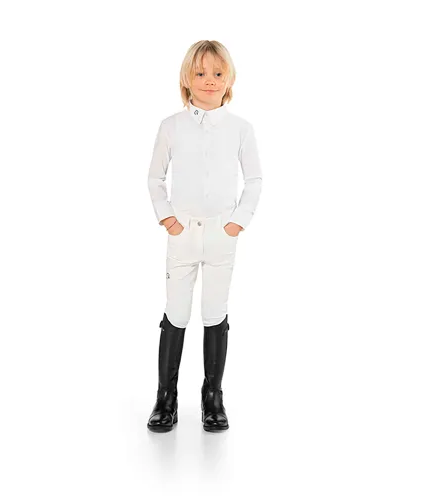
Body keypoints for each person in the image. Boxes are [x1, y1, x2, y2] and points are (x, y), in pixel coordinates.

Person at [146, 40, 263, 432]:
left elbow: (254, 179)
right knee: (176, 312)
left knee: (215, 311)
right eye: (200, 73)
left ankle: (213, 396)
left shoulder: (240, 129)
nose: (209, 80)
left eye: (217, 73)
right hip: (182, 234)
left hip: (220, 237)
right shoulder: (171, 127)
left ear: (228, 79)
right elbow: (155, 177)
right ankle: (166, 397)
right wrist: (168, 219)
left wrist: (236, 223)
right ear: (186, 78)